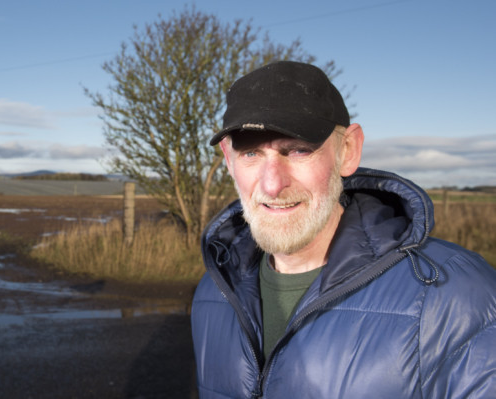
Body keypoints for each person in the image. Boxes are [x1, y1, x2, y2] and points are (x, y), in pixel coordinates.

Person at [191, 61, 496, 398]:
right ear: (229, 160)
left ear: (348, 151)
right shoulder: (214, 290)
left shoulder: (453, 294)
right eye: (251, 153)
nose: (273, 184)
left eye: (298, 150)